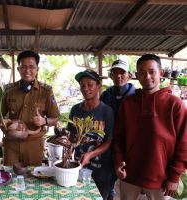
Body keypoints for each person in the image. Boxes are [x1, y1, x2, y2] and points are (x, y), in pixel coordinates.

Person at [113, 54, 187, 199]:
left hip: (160, 177)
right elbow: (118, 138)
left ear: (161, 73)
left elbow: (184, 143)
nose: (147, 76)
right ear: (136, 75)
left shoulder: (175, 104)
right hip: (129, 174)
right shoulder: (128, 104)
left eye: (152, 71)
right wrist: (117, 161)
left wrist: (174, 176)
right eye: (142, 72)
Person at [1, 50, 59, 166]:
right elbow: (0, 116)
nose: (27, 71)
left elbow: (56, 118)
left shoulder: (46, 92)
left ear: (37, 69)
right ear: (18, 69)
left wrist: (44, 121)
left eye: (32, 67)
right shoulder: (8, 91)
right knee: (10, 177)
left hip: (34, 145)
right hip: (12, 144)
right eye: (23, 67)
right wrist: (7, 127)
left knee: (34, 178)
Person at [67, 69, 114, 199]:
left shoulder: (107, 112)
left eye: (90, 84)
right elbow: (71, 135)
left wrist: (91, 154)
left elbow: (109, 141)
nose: (85, 88)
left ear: (98, 86)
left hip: (101, 170)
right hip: (78, 167)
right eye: (82, 85)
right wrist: (67, 145)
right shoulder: (75, 109)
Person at [100, 59, 136, 199]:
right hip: (109, 142)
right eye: (115, 72)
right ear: (111, 76)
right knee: (109, 174)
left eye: (122, 72)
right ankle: (110, 193)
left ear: (130, 75)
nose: (118, 76)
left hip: (128, 144)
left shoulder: (136, 96)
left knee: (127, 180)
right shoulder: (106, 94)